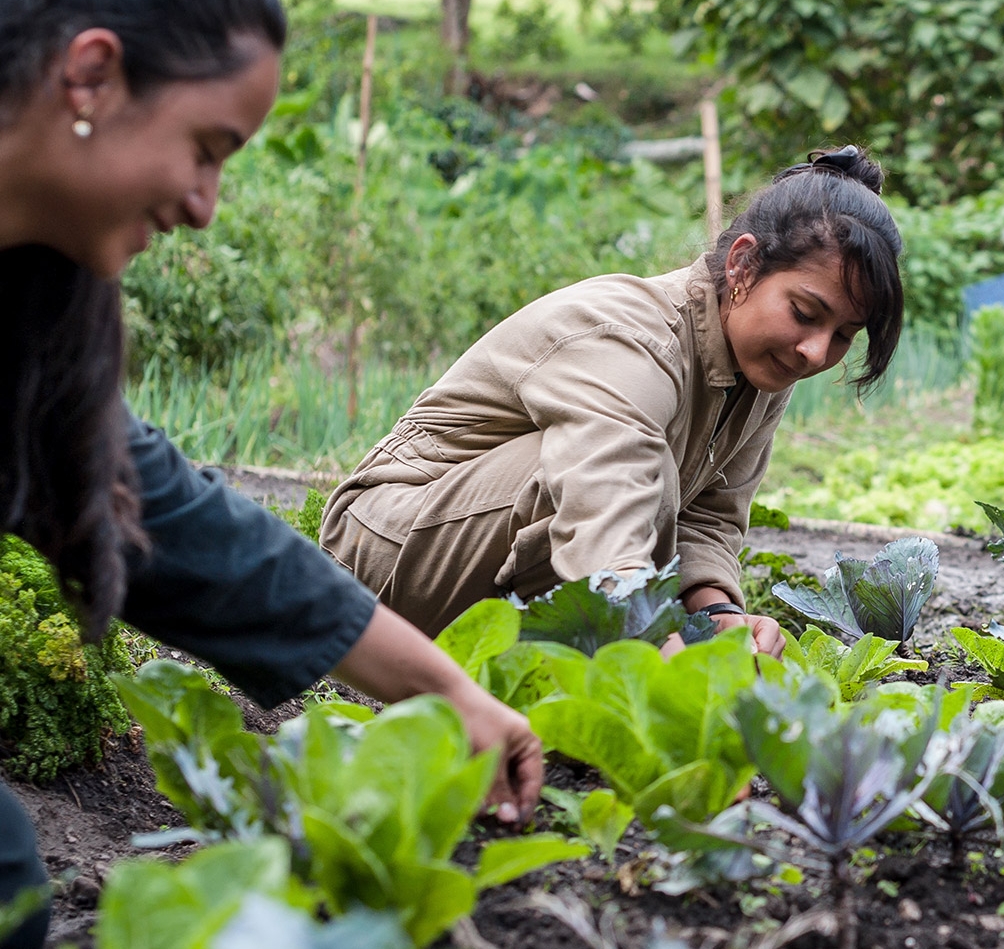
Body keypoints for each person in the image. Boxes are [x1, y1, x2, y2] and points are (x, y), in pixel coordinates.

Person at [0, 0, 543, 943]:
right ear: (89, 75)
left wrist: (446, 689)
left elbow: (154, 508)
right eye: (206, 147)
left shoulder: (35, 306)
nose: (206, 204)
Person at [321, 148, 905, 650]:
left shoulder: (764, 365)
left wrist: (716, 617)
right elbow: (602, 509)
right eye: (805, 313)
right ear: (742, 264)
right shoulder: (630, 336)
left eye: (843, 335)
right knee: (619, 482)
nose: (814, 351)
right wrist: (657, 652)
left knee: (651, 501)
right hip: (380, 552)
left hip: (488, 554)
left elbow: (707, 520)